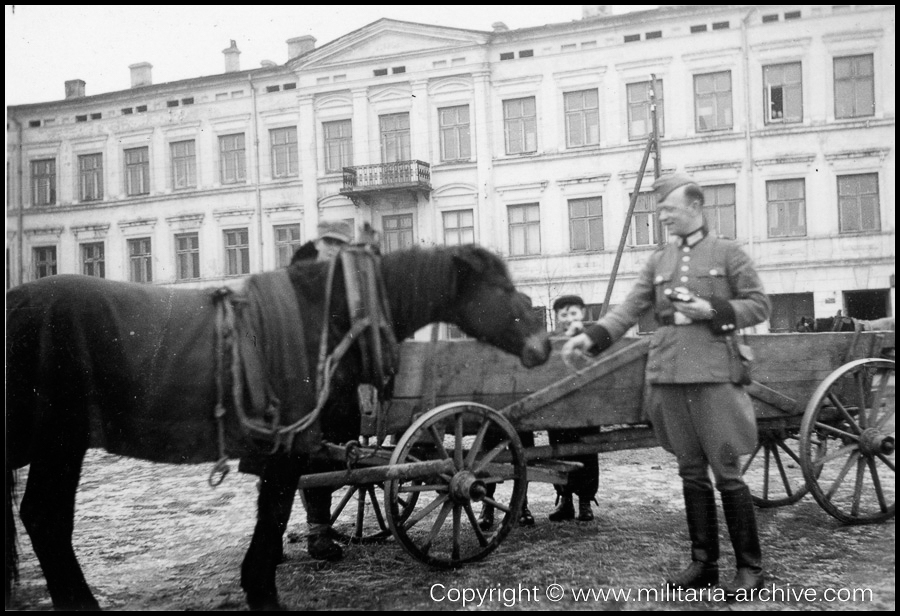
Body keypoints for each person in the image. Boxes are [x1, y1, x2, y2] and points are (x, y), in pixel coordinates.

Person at [562, 172, 771, 597]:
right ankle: (703, 564)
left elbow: (759, 305)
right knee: (690, 471)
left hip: (713, 375)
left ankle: (750, 568)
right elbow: (629, 308)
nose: (663, 218)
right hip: (669, 375)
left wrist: (710, 308)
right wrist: (592, 336)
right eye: (660, 211)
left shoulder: (729, 253)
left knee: (727, 472)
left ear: (695, 207)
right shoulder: (658, 260)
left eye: (669, 210)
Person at [239, 218, 353, 562]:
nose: (333, 250)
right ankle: (314, 536)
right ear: (318, 243)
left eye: (340, 245)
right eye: (329, 243)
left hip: (321, 385)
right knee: (303, 459)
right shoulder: (298, 277)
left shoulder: (341, 279)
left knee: (299, 462)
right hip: (296, 387)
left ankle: (279, 539)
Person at [547, 295, 599, 523]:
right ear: (556, 317)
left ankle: (585, 502)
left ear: (584, 314)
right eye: (564, 315)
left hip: (586, 407)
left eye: (574, 313)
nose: (569, 318)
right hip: (558, 408)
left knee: (588, 454)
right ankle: (565, 500)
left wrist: (582, 336)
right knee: (559, 453)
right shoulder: (551, 339)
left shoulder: (593, 336)